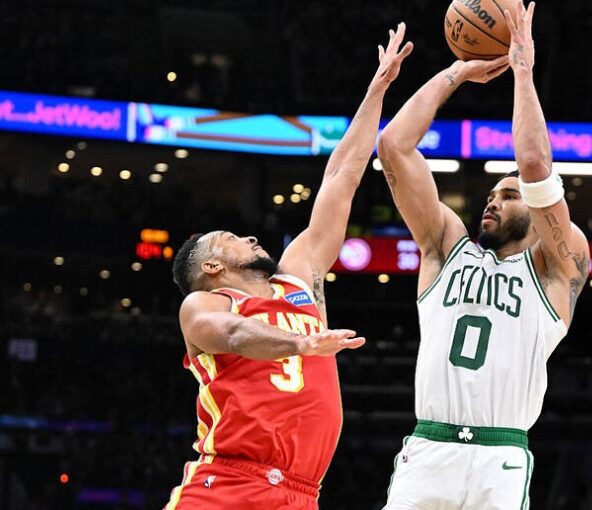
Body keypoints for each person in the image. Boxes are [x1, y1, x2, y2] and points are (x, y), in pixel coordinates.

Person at [164, 24, 413, 510]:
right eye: (232, 238)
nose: (249, 238)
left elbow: (341, 175)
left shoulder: (298, 278)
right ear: (211, 265)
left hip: (301, 493)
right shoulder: (204, 305)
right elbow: (234, 334)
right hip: (227, 483)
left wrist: (377, 90)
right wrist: (300, 343)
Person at [377, 3, 590, 509]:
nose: (493, 201)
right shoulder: (445, 248)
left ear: (536, 211)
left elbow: (533, 163)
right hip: (429, 447)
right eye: (491, 195)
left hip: (500, 454)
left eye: (508, 195)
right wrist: (456, 73)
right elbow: (393, 147)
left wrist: (522, 70)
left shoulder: (558, 265)